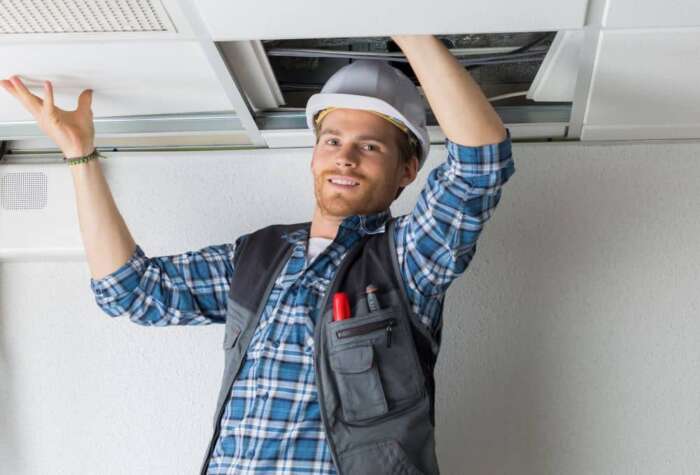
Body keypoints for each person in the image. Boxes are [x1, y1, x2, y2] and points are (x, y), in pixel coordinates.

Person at [1, 34, 515, 474]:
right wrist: (79, 153)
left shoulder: (406, 259)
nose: (346, 156)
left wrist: (409, 28)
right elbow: (130, 292)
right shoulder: (258, 257)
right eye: (332, 139)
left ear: (407, 171)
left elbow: (481, 165)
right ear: (315, 153)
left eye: (372, 146)